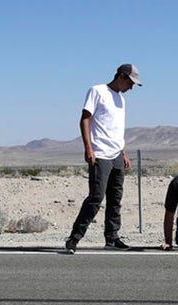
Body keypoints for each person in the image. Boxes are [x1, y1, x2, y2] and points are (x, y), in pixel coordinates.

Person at [64, 63, 141, 254]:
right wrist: (88, 148)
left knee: (116, 199)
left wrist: (123, 152)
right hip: (100, 154)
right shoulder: (97, 91)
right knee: (96, 197)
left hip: (116, 154)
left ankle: (112, 238)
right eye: (130, 83)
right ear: (121, 76)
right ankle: (74, 238)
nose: (131, 87)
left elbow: (116, 129)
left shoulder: (121, 100)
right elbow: (84, 118)